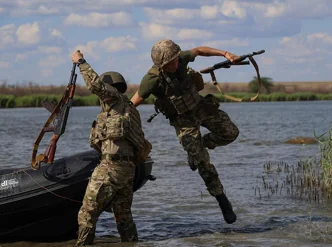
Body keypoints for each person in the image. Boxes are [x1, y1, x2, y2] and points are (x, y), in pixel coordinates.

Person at [130, 39, 240, 224]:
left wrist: (226, 54)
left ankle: (198, 147)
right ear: (160, 65)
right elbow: (133, 103)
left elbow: (199, 50)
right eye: (169, 63)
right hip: (183, 120)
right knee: (203, 164)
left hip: (201, 107)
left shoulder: (180, 58)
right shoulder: (151, 79)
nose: (174, 64)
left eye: (175, 60)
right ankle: (222, 199)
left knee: (231, 133)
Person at [71, 50, 152, 245]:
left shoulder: (113, 98)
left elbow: (95, 84)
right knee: (123, 216)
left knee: (87, 213)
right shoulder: (129, 109)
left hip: (111, 168)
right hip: (127, 171)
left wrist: (80, 62)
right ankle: (131, 243)